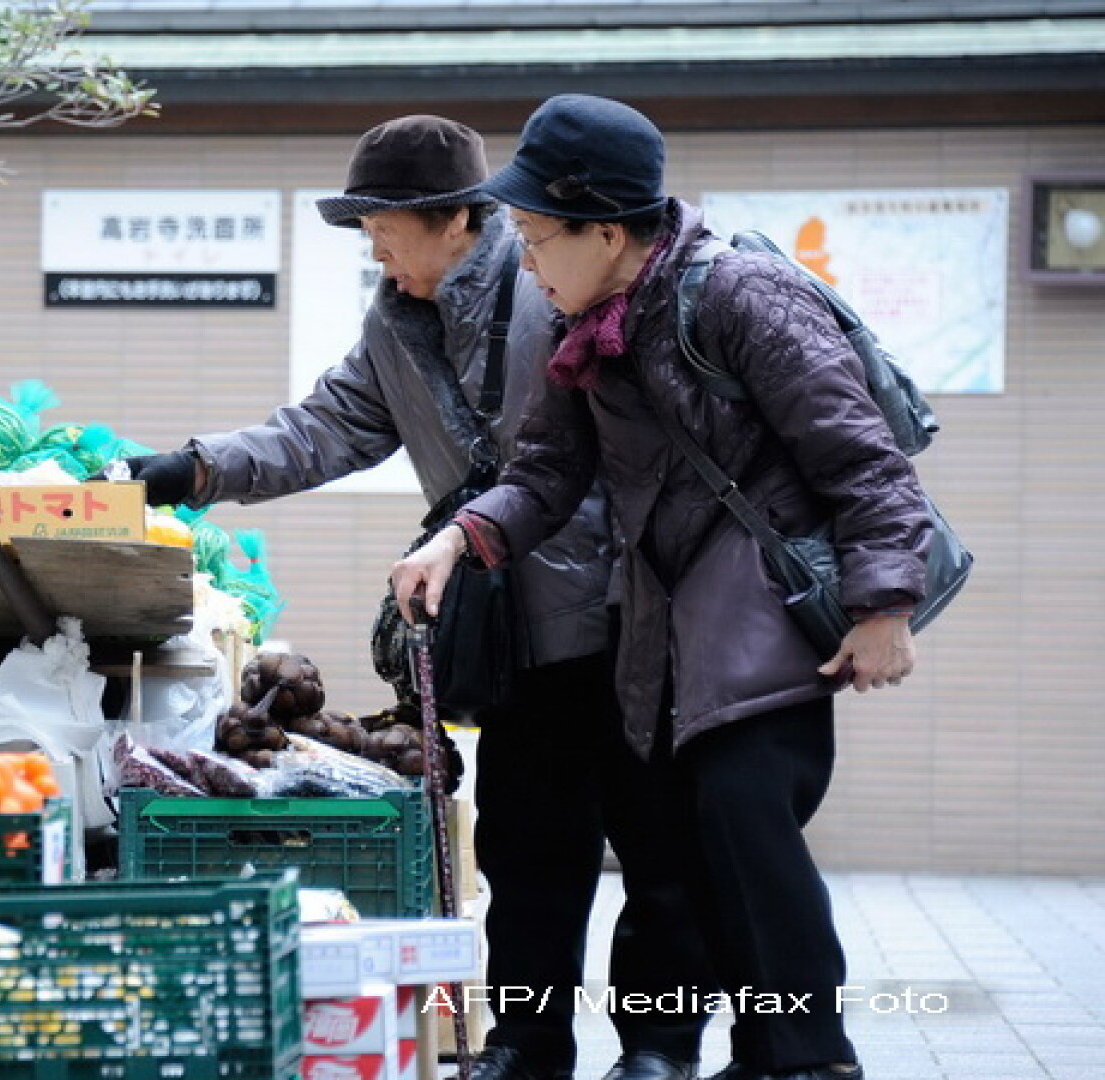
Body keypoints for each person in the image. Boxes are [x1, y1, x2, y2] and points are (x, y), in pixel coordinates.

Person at [121, 115, 711, 1080]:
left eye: (383, 225)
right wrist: (192, 470)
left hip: (630, 616)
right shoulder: (396, 325)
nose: (374, 247)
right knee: (527, 858)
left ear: (453, 221)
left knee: (659, 852)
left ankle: (659, 1049)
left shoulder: (552, 287)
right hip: (514, 634)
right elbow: (321, 429)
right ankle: (523, 1046)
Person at [394, 94, 934, 1080]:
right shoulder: (584, 329)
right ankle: (772, 1056)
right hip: (674, 624)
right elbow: (547, 476)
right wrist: (460, 541)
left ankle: (807, 1058)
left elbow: (866, 465)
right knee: (705, 847)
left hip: (768, 616)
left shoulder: (743, 296)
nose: (527, 258)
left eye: (536, 235)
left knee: (741, 832)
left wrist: (885, 609)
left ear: (606, 229)